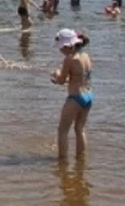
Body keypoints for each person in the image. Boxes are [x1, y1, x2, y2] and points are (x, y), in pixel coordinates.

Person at [51, 29, 92, 160]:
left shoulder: (69, 59)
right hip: (88, 96)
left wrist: (56, 75)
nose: (60, 51)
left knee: (62, 130)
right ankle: (81, 159)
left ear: (67, 45)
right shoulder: (86, 56)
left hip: (75, 98)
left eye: (61, 48)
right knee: (79, 129)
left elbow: (61, 80)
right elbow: (81, 77)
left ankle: (62, 161)